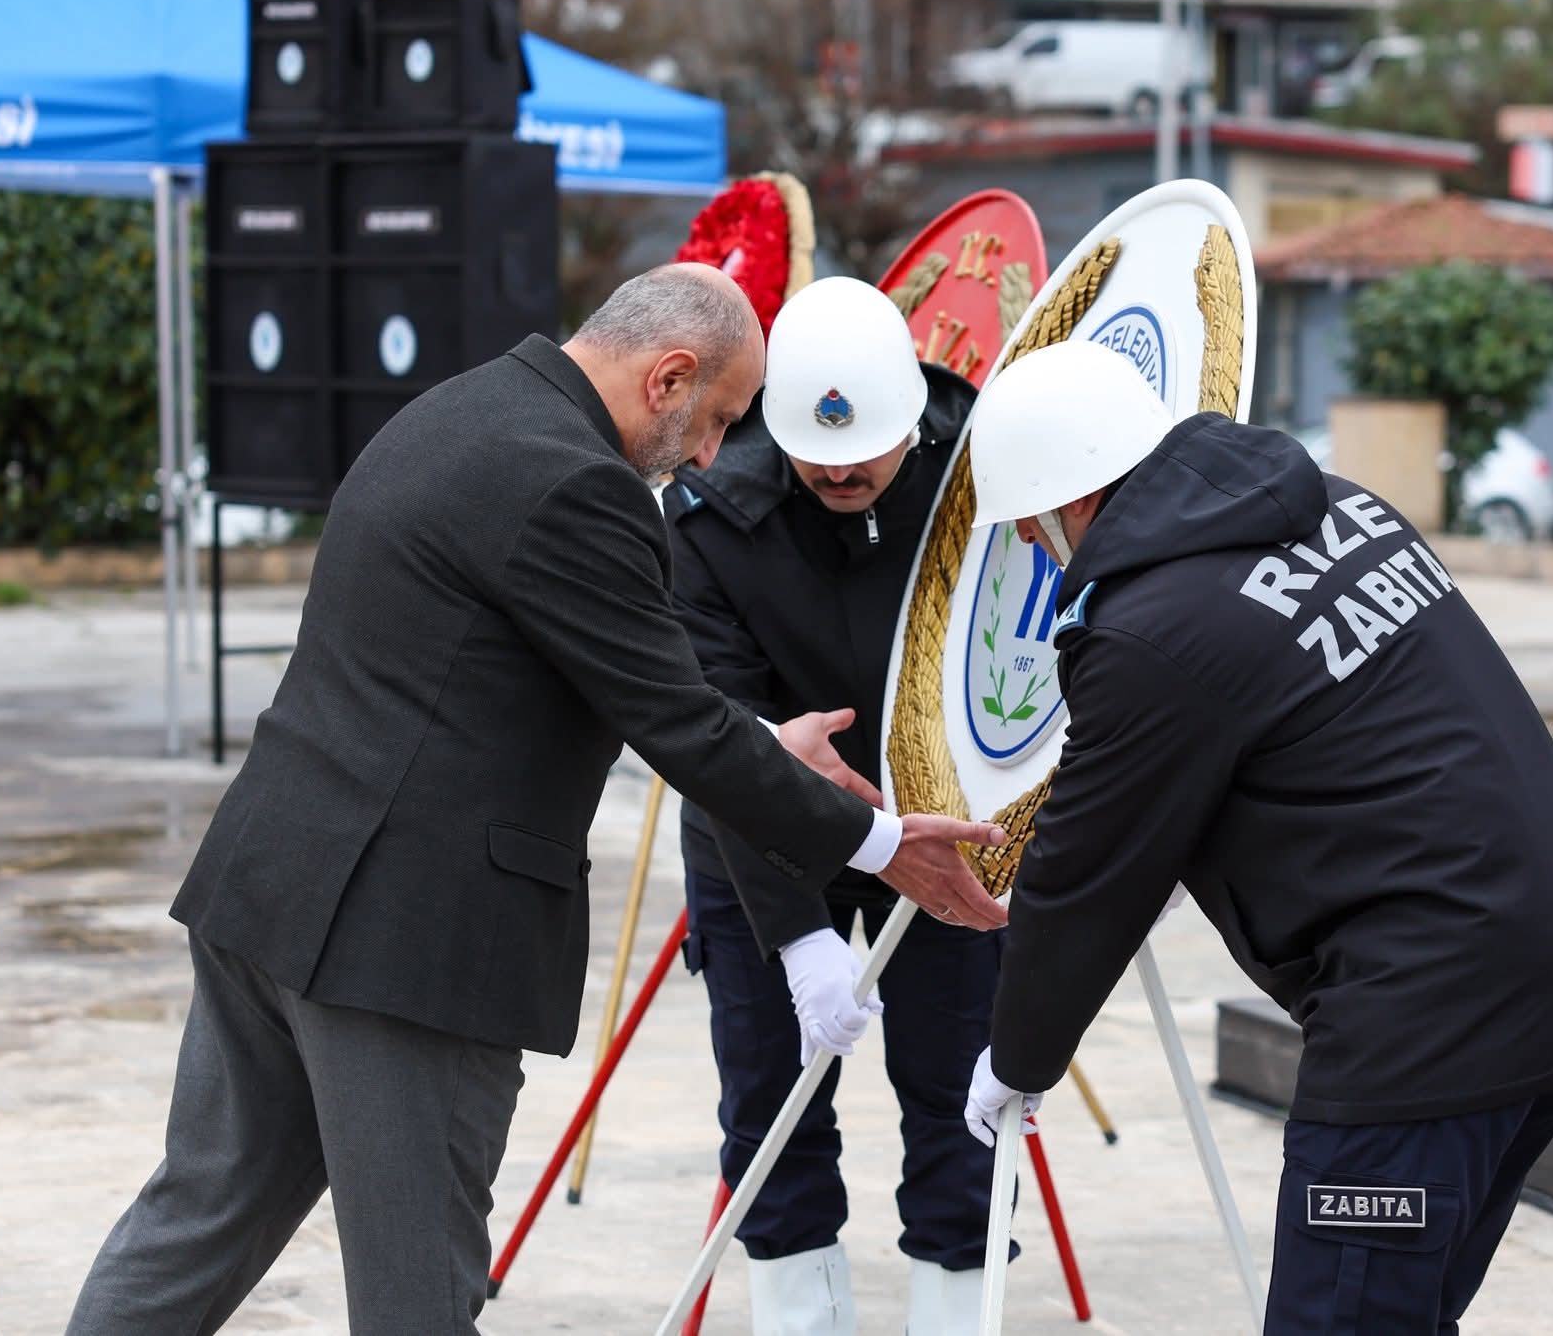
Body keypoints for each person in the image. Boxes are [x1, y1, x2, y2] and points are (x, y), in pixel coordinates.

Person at [64, 263, 1006, 1336]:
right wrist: (878, 841)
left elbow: (617, 686)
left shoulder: (463, 410)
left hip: (271, 889)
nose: (713, 455)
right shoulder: (579, 486)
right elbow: (678, 723)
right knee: (419, 1298)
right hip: (402, 945)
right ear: (668, 377)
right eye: (717, 419)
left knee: (196, 1222)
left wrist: (755, 743)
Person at [958, 341, 1553, 1334]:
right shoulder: (1342, 506)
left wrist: (1019, 1054)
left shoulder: (1151, 631)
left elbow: (1082, 875)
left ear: (1074, 493)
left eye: (1029, 513)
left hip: (1423, 1027)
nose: (1027, 534)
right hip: (1548, 972)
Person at [665, 277, 1004, 1335]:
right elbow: (716, 730)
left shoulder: (987, 468)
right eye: (817, 454)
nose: (842, 471)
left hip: (944, 828)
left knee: (963, 1101)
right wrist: (797, 931)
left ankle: (956, 1317)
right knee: (771, 1107)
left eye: (865, 451)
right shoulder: (711, 510)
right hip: (763, 833)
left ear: (914, 414)